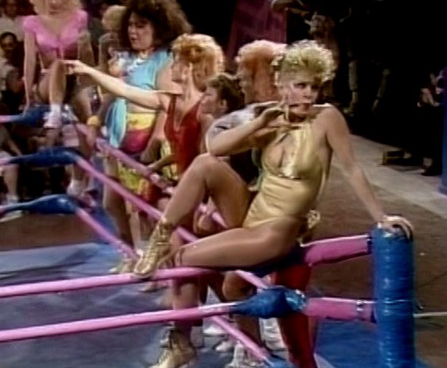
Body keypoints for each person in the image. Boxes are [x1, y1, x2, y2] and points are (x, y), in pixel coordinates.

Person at [85, 40, 413, 368]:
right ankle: (161, 240)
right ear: (282, 85)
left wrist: (381, 217)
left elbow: (353, 169)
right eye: (300, 86)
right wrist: (259, 124)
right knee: (204, 166)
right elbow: (215, 148)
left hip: (276, 231)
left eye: (314, 87)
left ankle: (184, 340)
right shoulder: (268, 116)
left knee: (184, 259)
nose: (308, 95)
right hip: (249, 213)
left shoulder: (326, 118)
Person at [84, 0, 192, 269]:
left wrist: (154, 144)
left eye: (141, 25)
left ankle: (161, 267)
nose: (133, 31)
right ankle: (130, 255)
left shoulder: (166, 61)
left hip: (145, 145)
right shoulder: (129, 58)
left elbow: (166, 106)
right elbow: (113, 91)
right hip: (118, 140)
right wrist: (96, 120)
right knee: (112, 202)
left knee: (149, 210)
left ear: (159, 27)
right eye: (131, 25)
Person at [23, 0, 94, 128]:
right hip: (46, 82)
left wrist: (89, 85)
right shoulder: (32, 22)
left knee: (89, 118)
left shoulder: (80, 18)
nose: (55, 2)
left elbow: (87, 58)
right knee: (58, 64)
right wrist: (28, 97)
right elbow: (29, 61)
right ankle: (55, 112)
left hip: (74, 78)